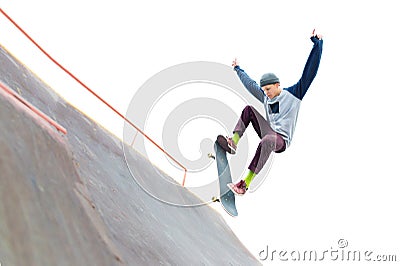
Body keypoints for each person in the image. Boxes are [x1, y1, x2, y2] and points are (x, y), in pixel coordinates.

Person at [217, 29, 323, 195]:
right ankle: (233, 142)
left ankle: (244, 183)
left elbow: (309, 73)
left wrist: (318, 45)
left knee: (267, 140)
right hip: (268, 130)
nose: (266, 93)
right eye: (264, 90)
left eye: (269, 89)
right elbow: (250, 84)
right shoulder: (265, 97)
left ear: (277, 85)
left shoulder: (295, 94)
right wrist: (238, 69)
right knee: (249, 110)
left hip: (280, 140)